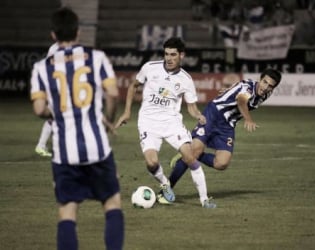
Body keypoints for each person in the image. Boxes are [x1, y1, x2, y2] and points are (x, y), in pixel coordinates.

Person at [30, 7, 124, 250]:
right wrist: (107, 118)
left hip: (64, 153)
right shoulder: (97, 57)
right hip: (98, 148)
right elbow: (113, 93)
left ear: (53, 35)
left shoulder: (41, 68)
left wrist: (58, 112)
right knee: (112, 203)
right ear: (79, 32)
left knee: (68, 210)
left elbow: (40, 109)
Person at [115, 37, 216, 208]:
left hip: (172, 122)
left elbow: (191, 107)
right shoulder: (150, 67)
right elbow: (133, 86)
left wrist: (198, 115)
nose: (169, 58)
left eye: (173, 55)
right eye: (166, 54)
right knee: (152, 163)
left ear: (181, 56)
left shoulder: (186, 79)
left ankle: (204, 199)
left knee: (190, 157)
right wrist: (126, 112)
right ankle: (164, 183)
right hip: (148, 122)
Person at [168, 68, 282, 188]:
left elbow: (238, 91)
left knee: (221, 163)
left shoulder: (266, 94)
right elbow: (242, 101)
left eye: (270, 86)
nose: (265, 87)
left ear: (273, 88)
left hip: (227, 125)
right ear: (260, 79)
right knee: (195, 151)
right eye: (264, 82)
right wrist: (248, 119)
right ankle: (167, 189)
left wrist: (230, 91)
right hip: (214, 114)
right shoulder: (249, 87)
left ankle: (189, 152)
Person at [34, 43, 59, 157]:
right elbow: (49, 64)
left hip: (59, 86)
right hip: (56, 86)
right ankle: (43, 145)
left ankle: (42, 145)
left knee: (53, 118)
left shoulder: (60, 47)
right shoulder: (55, 47)